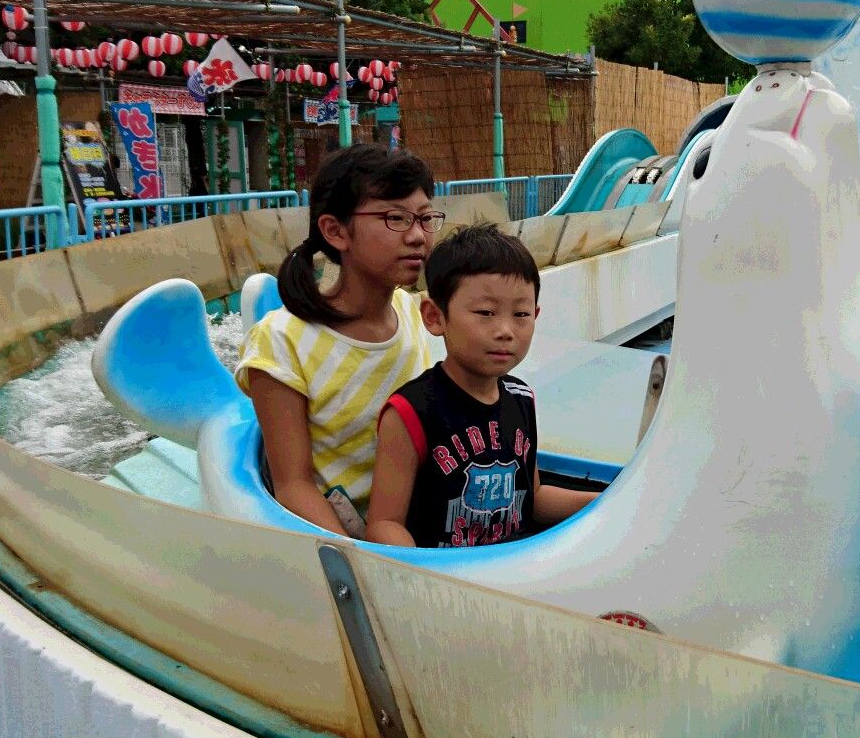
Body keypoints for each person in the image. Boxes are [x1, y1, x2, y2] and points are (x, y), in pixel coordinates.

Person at [236, 144, 440, 538]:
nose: (418, 236)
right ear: (336, 231)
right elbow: (293, 486)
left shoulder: (415, 314)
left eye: (426, 218)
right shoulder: (282, 342)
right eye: (396, 218)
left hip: (419, 527)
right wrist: (364, 561)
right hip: (352, 545)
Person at [367, 224, 598, 549]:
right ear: (435, 317)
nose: (506, 330)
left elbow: (534, 498)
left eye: (521, 314)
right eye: (486, 313)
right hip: (449, 580)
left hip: (514, 569)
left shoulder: (522, 399)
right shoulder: (411, 413)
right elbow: (384, 524)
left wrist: (609, 502)